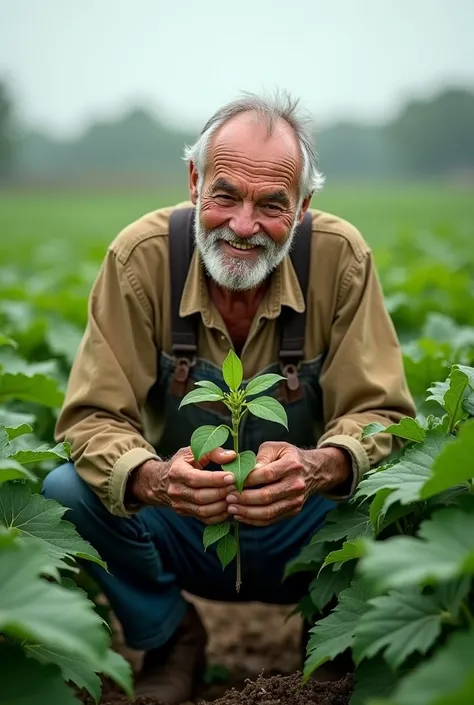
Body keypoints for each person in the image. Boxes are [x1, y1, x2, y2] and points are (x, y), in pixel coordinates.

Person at [43, 91, 415, 704]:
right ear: (194, 181)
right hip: (184, 523)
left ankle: (332, 637)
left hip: (306, 527)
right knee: (64, 493)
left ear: (302, 206)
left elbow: (383, 413)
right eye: (225, 195)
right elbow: (92, 417)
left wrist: (322, 465)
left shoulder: (340, 258)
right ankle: (170, 637)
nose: (244, 226)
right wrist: (156, 478)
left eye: (272, 204)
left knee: (404, 487)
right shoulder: (143, 258)